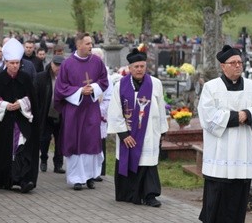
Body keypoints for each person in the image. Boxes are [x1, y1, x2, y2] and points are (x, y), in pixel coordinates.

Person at [197, 45, 252, 223]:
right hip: (221, 146)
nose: (237, 66)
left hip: (242, 146)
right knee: (220, 186)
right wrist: (239, 116)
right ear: (223, 66)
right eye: (233, 63)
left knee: (238, 186)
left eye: (240, 63)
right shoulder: (211, 87)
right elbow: (208, 116)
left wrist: (248, 114)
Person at [107, 48, 168, 206]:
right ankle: (129, 194)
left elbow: (161, 107)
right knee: (130, 161)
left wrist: (162, 130)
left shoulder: (155, 84)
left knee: (148, 163)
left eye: (142, 66)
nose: (140, 69)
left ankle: (149, 195)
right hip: (129, 134)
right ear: (130, 68)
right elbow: (115, 110)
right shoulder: (120, 85)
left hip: (149, 132)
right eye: (136, 66)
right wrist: (123, 134)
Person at [0, 38, 39, 193]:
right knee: (5, 151)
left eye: (17, 63)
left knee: (22, 148)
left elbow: (33, 98)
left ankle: (24, 180)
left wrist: (22, 103)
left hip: (22, 120)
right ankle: (6, 179)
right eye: (12, 63)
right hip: (4, 122)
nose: (15, 66)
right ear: (6, 62)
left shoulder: (25, 78)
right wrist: (5, 105)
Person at [54, 32, 109, 191]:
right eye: (87, 44)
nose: (91, 46)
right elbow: (60, 87)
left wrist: (92, 89)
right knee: (75, 141)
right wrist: (79, 91)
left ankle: (91, 176)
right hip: (74, 110)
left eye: (91, 43)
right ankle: (76, 179)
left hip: (91, 108)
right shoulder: (67, 64)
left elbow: (104, 81)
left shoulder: (97, 62)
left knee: (91, 141)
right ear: (78, 45)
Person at [35, 55, 65, 174]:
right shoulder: (41, 77)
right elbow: (35, 96)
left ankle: (58, 164)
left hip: (61, 114)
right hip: (46, 113)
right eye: (56, 65)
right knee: (44, 139)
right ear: (51, 64)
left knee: (60, 140)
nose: (58, 68)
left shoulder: (66, 78)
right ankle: (43, 159)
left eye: (60, 66)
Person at [91, 47, 113, 182]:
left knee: (99, 142)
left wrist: (100, 111)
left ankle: (99, 170)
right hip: (86, 112)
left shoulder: (107, 76)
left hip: (99, 112)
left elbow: (109, 96)